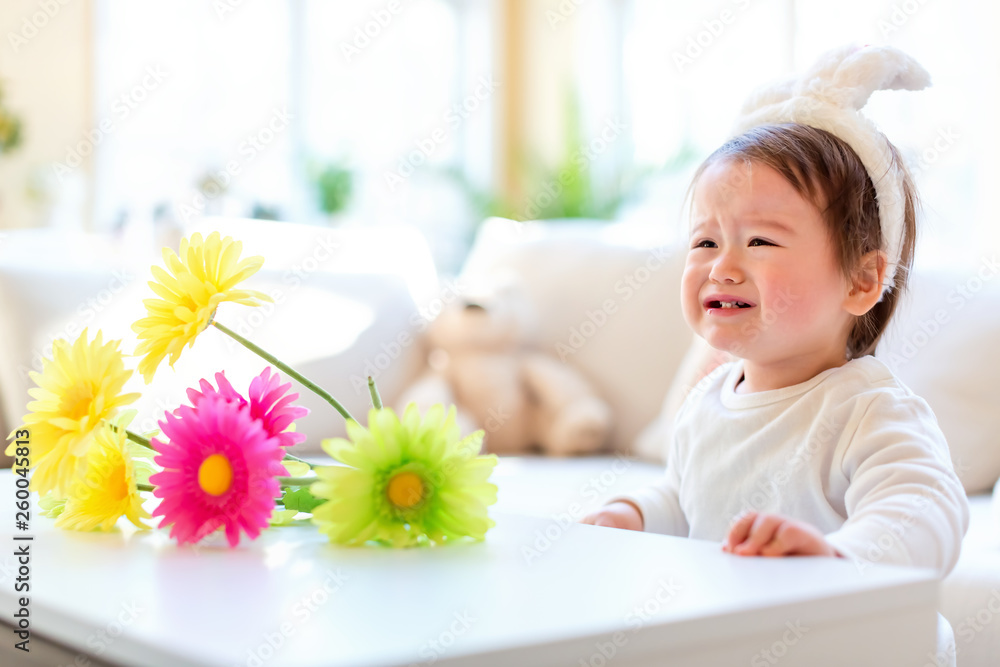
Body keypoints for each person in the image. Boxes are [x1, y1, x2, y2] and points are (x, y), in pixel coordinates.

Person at [582, 45, 968, 664]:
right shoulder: (709, 401)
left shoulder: (868, 410)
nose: (721, 266)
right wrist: (632, 514)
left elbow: (924, 509)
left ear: (863, 280)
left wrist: (842, 557)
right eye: (705, 240)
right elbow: (685, 501)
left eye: (760, 239)